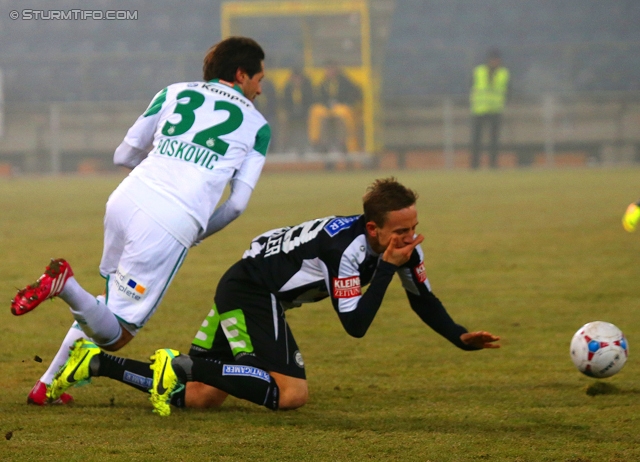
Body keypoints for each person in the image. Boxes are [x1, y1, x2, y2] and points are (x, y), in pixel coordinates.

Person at [47, 178, 500, 415]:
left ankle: (97, 362)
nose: (410, 237)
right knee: (291, 395)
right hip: (250, 290)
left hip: (250, 286)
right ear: (373, 229)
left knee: (202, 397)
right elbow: (355, 326)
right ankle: (180, 364)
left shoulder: (397, 248)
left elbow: (422, 297)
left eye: (411, 227)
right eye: (400, 231)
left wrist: (458, 336)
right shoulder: (347, 250)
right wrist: (385, 270)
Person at [11, 36, 271, 406]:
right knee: (116, 335)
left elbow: (123, 153)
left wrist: (157, 176)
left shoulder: (173, 92)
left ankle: (46, 386)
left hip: (125, 198)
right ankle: (64, 285)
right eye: (259, 80)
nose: (260, 89)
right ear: (242, 74)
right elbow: (236, 206)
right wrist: (195, 231)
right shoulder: (257, 126)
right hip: (170, 221)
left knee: (105, 303)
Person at [469, 48, 510, 169]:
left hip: (495, 110)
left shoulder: (504, 73)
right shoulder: (478, 71)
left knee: (494, 140)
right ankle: (475, 165)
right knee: (476, 140)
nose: (494, 62)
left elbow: (508, 90)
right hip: (479, 110)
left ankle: (493, 164)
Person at [308, 62, 362, 153]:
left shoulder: (345, 81)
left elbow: (355, 93)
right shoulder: (323, 83)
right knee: (319, 114)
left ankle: (343, 144)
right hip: (328, 109)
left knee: (341, 116)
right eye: (328, 69)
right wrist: (327, 104)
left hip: (341, 109)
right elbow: (319, 97)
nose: (329, 72)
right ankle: (320, 143)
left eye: (331, 69)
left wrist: (346, 103)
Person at [281, 68, 313, 155]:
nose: (297, 81)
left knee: (304, 124)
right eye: (295, 78)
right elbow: (285, 103)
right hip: (291, 114)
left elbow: (310, 103)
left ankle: (306, 147)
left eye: (299, 78)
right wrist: (287, 113)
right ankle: (287, 147)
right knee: (285, 122)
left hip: (304, 113)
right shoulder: (287, 89)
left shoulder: (307, 89)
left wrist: (305, 112)